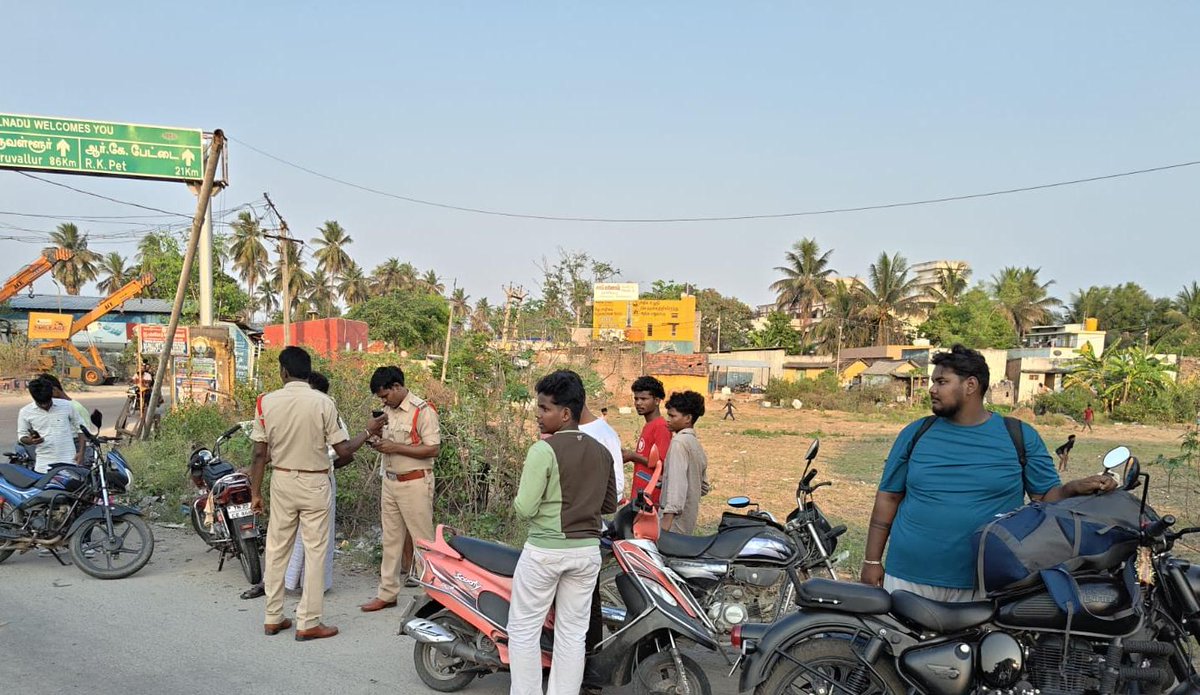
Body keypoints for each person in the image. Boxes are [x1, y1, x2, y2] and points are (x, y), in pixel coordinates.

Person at [860, 344, 1118, 601]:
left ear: (970, 385)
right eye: (933, 382)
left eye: (941, 382)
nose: (932, 389)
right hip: (908, 576)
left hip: (985, 582)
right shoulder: (916, 433)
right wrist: (872, 560)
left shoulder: (1018, 435)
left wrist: (1072, 488)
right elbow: (888, 497)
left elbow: (1044, 498)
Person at [250, 347, 373, 640]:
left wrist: (256, 492)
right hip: (315, 482)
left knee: (277, 549)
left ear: (283, 371)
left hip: (281, 480)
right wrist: (367, 434)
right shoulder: (324, 403)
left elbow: (258, 453)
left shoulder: (265, 402)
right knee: (315, 552)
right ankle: (309, 622)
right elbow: (342, 450)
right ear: (308, 371)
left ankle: (272, 617)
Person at [508, 370, 617, 695]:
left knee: (524, 630)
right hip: (586, 554)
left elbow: (525, 508)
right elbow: (609, 504)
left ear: (565, 413)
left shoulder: (543, 451)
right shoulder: (601, 451)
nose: (538, 415)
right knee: (572, 634)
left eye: (544, 408)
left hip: (545, 552)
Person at [360, 365, 441, 613]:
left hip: (415, 483)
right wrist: (376, 441)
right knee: (391, 540)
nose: (383, 401)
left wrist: (394, 447)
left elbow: (433, 449)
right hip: (391, 481)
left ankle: (434, 597)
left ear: (397, 387)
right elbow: (388, 442)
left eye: (385, 395)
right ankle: (387, 593)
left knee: (423, 542)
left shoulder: (422, 411)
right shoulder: (386, 411)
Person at [577, 403, 625, 695]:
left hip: (587, 531)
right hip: (560, 535)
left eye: (547, 406)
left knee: (587, 605)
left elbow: (616, 489)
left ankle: (589, 675)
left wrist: (582, 507)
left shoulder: (603, 435)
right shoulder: (557, 433)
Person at [660, 391, 711, 534]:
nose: (668, 420)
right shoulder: (695, 443)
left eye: (672, 416)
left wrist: (667, 520)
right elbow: (704, 487)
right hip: (688, 520)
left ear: (688, 418)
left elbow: (678, 484)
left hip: (673, 523)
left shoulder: (678, 442)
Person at [17, 377, 84, 473]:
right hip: (43, 465)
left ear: (52, 392)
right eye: (41, 403)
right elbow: (21, 436)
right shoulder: (25, 412)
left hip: (70, 461)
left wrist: (81, 452)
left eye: (47, 402)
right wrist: (31, 441)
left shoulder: (67, 406)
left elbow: (81, 429)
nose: (45, 405)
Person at [622, 376, 671, 505]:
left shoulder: (661, 427)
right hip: (641, 494)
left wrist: (633, 456)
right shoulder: (649, 425)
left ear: (657, 400)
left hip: (651, 498)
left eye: (643, 399)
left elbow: (661, 464)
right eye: (636, 399)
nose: (638, 403)